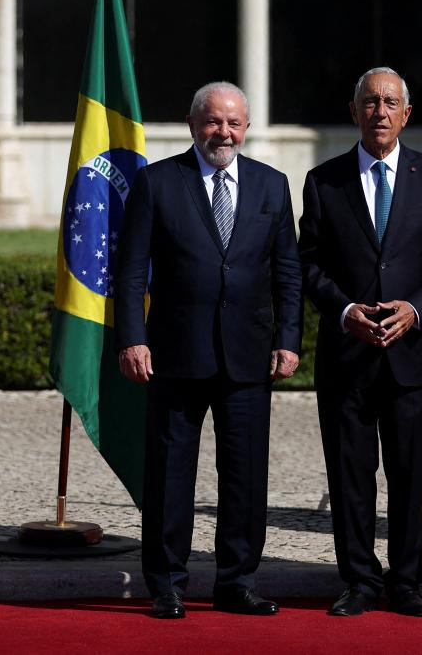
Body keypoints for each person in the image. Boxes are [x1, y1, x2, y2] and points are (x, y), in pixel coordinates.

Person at [114, 81, 302, 619]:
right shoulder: (157, 182)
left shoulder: (271, 185)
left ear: (246, 127)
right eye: (214, 122)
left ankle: (236, 581)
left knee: (245, 475)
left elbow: (287, 272)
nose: (224, 132)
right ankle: (168, 584)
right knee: (171, 472)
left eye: (234, 123)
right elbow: (130, 272)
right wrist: (132, 336)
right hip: (175, 351)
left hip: (250, 354)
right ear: (194, 124)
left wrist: (288, 339)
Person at [299, 67, 422, 617]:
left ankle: (407, 581)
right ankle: (359, 581)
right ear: (354, 111)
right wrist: (344, 310)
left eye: (391, 102)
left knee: (408, 476)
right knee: (349, 476)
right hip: (347, 356)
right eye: (370, 102)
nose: (380, 112)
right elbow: (308, 263)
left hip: (413, 358)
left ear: (407, 114)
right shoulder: (324, 180)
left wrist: (416, 310)